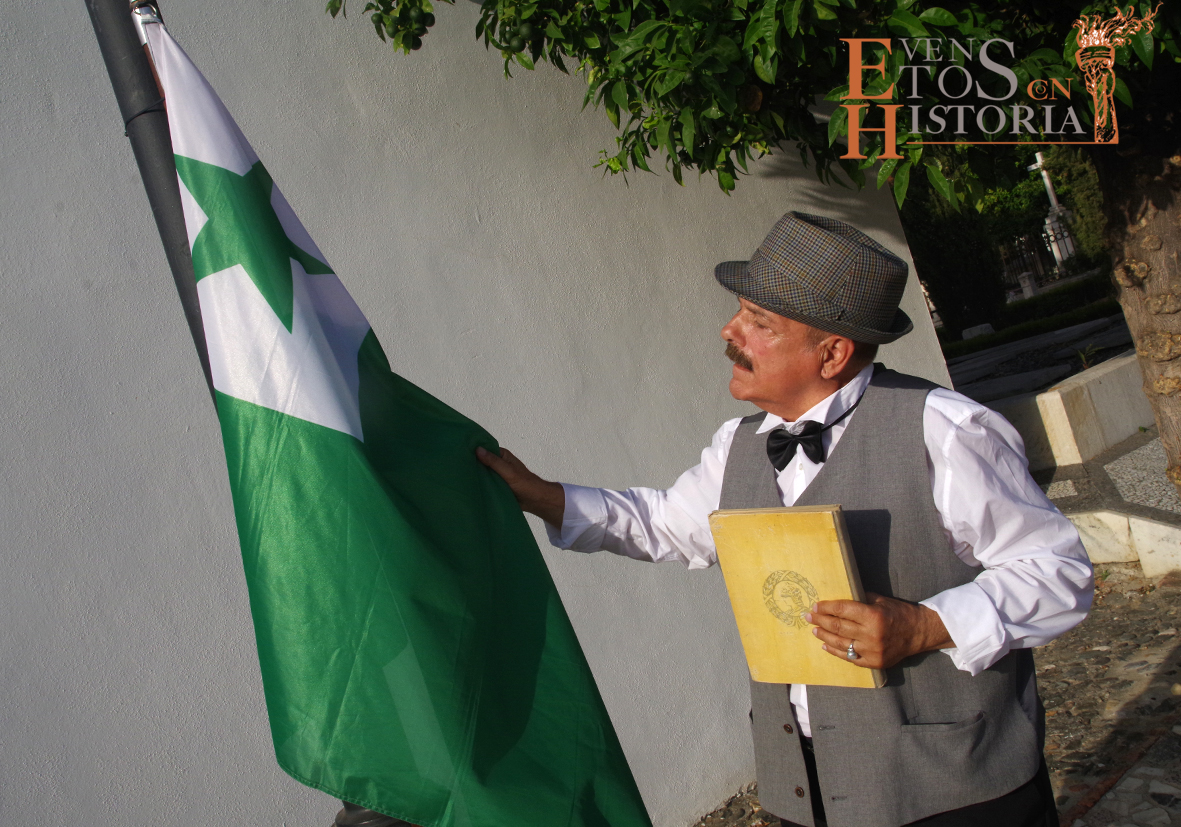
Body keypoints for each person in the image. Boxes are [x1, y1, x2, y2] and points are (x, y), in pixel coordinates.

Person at [476, 212, 1093, 827]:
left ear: (832, 353)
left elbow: (1058, 573)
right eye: (740, 312)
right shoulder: (737, 444)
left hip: (953, 790)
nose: (730, 331)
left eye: (759, 321)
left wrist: (928, 625)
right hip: (804, 787)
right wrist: (541, 496)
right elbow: (665, 522)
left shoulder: (947, 431)